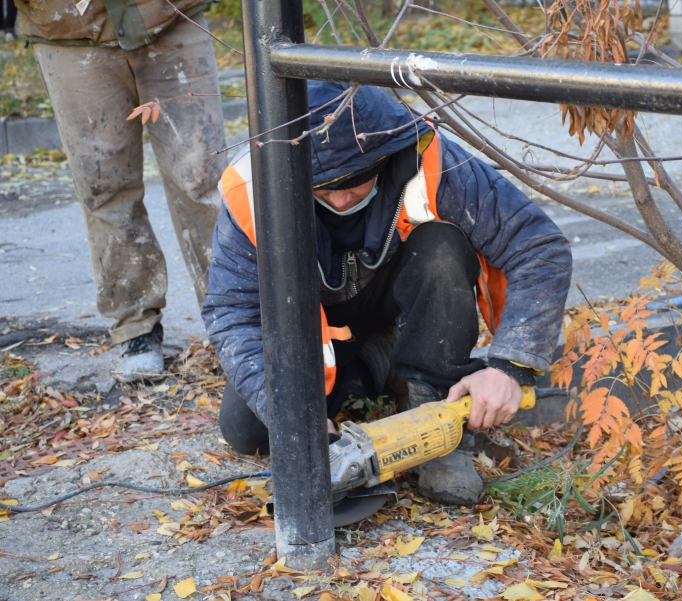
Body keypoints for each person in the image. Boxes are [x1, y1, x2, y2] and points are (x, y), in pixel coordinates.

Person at [202, 82, 572, 506]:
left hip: (400, 301)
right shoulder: (251, 189)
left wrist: (510, 366)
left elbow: (540, 246)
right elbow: (233, 310)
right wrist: (292, 416)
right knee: (249, 431)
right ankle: (375, 371)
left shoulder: (428, 153)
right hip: (317, 329)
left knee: (441, 250)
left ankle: (433, 403)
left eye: (357, 181)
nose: (342, 199)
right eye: (324, 186)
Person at [13, 0, 227, 382]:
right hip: (66, 30)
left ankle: (237, 318)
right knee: (105, 188)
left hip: (168, 15)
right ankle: (136, 329)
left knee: (204, 178)